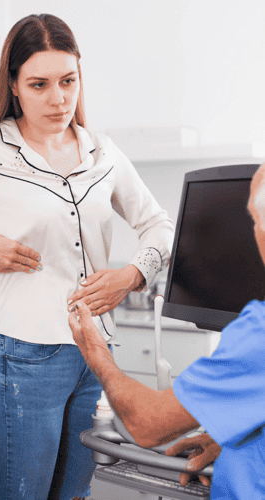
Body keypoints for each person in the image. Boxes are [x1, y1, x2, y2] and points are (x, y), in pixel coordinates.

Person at [0, 14, 174, 500]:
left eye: (68, 81)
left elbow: (158, 223)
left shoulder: (104, 154)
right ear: (13, 86)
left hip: (95, 355)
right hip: (20, 357)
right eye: (39, 84)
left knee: (74, 495)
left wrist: (134, 274)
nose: (58, 98)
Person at [68, 163, 265, 499]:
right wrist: (227, 434)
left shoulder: (257, 334)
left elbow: (147, 426)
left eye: (254, 220)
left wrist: (95, 352)